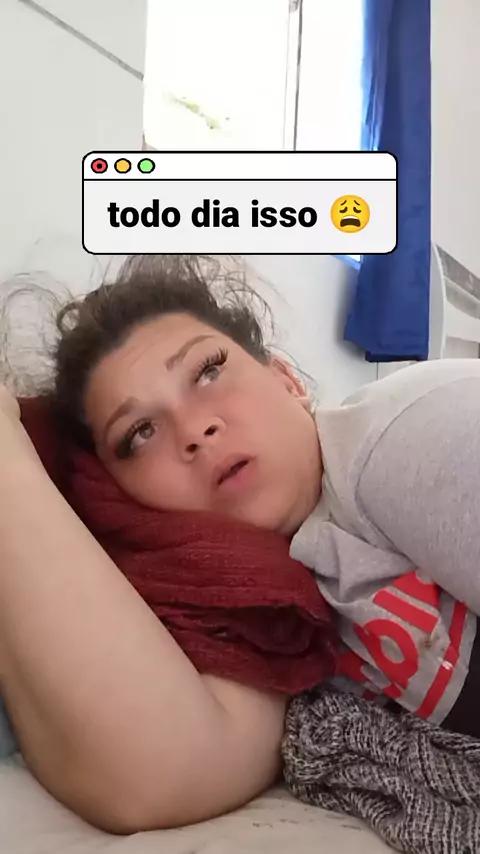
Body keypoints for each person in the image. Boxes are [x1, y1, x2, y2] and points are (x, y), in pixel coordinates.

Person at [0, 253, 480, 833]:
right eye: (139, 433)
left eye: (208, 371)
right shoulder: (260, 591)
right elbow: (162, 776)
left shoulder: (396, 439)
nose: (194, 431)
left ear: (286, 380)